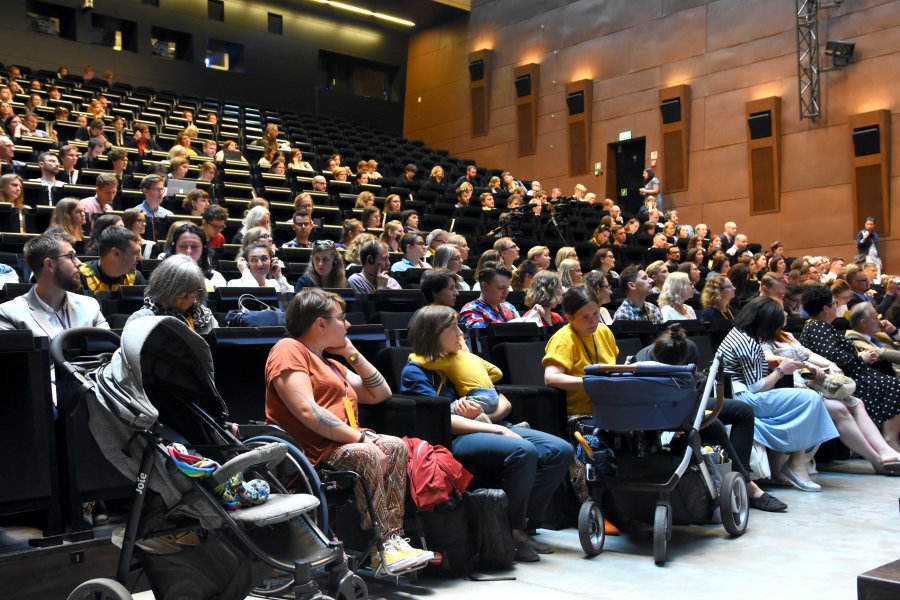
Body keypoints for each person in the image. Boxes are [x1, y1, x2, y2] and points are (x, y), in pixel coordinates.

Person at [266, 289, 433, 574]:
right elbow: (307, 410)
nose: (347, 325)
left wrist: (350, 353)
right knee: (367, 451)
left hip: (341, 443)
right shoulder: (288, 349)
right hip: (310, 450)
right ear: (320, 323)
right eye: (341, 319)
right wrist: (359, 437)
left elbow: (380, 393)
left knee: (395, 446)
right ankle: (382, 544)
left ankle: (392, 540)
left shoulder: (332, 364)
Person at [402, 306, 573, 562]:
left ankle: (522, 523)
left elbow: (503, 402)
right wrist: (496, 428)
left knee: (561, 451)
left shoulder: (462, 359)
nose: (460, 333)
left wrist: (489, 419)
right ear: (434, 333)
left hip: (486, 424)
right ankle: (512, 532)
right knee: (523, 451)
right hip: (453, 438)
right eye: (453, 328)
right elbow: (440, 418)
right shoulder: (415, 370)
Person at [637, 325, 787, 511]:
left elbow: (694, 389)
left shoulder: (689, 349)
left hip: (684, 400)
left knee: (743, 411)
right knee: (713, 424)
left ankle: (741, 477)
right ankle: (748, 487)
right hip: (657, 408)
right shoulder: (642, 360)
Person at [717, 298, 838, 491]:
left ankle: (787, 463)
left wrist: (778, 366)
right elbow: (758, 387)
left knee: (806, 398)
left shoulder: (738, 334)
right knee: (810, 398)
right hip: (743, 398)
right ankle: (795, 464)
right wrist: (782, 370)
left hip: (734, 392)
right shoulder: (749, 344)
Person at [764, 305, 900, 474]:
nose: (786, 313)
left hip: (807, 382)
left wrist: (830, 364)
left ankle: (885, 450)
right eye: (781, 311)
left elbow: (807, 353)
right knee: (840, 408)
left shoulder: (787, 336)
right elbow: (770, 359)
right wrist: (807, 365)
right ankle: (876, 459)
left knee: (856, 402)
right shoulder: (763, 339)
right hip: (788, 385)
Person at [800, 285, 900, 452]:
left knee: (893, 384)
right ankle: (889, 439)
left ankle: (890, 439)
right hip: (844, 379)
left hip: (854, 374)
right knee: (894, 386)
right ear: (826, 308)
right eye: (834, 303)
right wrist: (860, 357)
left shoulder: (820, 326)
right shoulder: (817, 326)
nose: (837, 307)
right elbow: (831, 356)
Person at [0, 233, 108, 335]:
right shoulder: (9, 314)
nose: (79, 263)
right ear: (50, 264)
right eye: (71, 256)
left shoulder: (90, 306)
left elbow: (109, 350)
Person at [543, 285, 619, 415]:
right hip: (580, 414)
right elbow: (551, 378)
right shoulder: (564, 338)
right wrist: (591, 382)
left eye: (595, 313)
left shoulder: (604, 331)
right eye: (585, 317)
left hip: (609, 407)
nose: (593, 321)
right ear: (569, 317)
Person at [127, 255, 217, 334]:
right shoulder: (142, 319)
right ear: (164, 289)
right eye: (182, 292)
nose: (188, 297)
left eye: (193, 291)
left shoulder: (205, 317)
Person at [79, 227, 145, 292]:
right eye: (135, 253)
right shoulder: (82, 275)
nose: (140, 258)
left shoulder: (135, 277)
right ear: (116, 253)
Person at [164, 222, 227, 289]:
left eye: (194, 246)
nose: (189, 251)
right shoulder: (162, 277)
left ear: (203, 248)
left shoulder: (216, 278)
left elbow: (211, 294)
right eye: (183, 246)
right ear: (174, 248)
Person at [845, 302, 900, 376]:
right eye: (876, 317)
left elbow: (896, 347)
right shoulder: (853, 338)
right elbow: (877, 352)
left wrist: (894, 331)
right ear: (864, 323)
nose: (880, 320)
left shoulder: (877, 333)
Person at [459, 263, 519, 328]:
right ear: (485, 287)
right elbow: (480, 336)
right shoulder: (471, 309)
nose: (506, 292)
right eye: (500, 288)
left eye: (507, 288)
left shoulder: (509, 306)